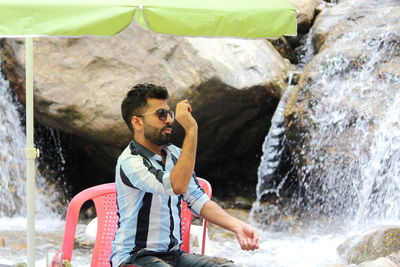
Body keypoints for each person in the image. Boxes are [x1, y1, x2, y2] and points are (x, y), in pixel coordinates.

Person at [111, 83, 260, 267]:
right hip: (134, 258)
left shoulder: (174, 154)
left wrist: (236, 225)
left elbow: (197, 199)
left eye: (170, 113)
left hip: (174, 256)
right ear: (137, 122)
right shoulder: (131, 162)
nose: (169, 120)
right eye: (161, 114)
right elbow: (175, 185)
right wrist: (191, 130)